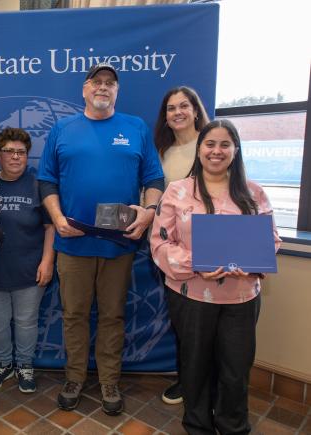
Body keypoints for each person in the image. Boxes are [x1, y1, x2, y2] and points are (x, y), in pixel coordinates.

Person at [37, 63, 164, 416]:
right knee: (74, 315)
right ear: (84, 89)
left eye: (110, 83)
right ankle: (74, 378)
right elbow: (46, 181)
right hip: (73, 243)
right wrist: (58, 219)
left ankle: (109, 380)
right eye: (97, 82)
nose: (103, 87)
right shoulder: (62, 129)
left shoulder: (135, 127)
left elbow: (154, 178)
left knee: (112, 316)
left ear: (117, 92)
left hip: (118, 243)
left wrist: (149, 212)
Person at [150, 119, 281, 434]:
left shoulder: (254, 193)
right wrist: (196, 263)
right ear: (200, 149)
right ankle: (198, 427)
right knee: (195, 368)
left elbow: (272, 239)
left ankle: (234, 426)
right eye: (210, 144)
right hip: (191, 297)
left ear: (235, 150)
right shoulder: (178, 190)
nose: (216, 151)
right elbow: (159, 241)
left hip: (241, 298)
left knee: (235, 371)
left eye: (225, 144)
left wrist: (250, 260)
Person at [0, 127, 55, 394]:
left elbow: (50, 227)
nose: (15, 157)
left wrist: (47, 262)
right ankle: (3, 363)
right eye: (9, 151)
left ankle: (24, 365)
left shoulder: (39, 185)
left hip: (29, 271)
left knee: (26, 322)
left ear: (27, 155)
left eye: (21, 152)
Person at [153, 86, 209, 405]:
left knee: (212, 320)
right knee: (182, 319)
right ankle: (186, 380)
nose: (177, 112)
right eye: (170, 108)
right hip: (172, 250)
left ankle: (208, 382)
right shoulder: (162, 152)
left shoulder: (211, 144)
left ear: (196, 110)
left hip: (210, 245)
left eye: (183, 106)